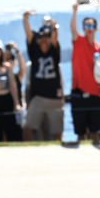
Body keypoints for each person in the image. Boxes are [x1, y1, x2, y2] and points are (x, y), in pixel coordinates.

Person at [23, 12, 64, 141]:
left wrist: (54, 27)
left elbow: (55, 38)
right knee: (28, 128)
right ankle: (28, 153)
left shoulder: (54, 52)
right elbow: (29, 35)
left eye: (47, 36)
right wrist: (25, 19)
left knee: (57, 132)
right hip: (38, 97)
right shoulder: (34, 52)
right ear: (39, 39)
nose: (45, 39)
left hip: (54, 98)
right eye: (42, 37)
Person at [70, 2, 100, 145]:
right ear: (83, 29)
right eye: (86, 26)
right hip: (78, 91)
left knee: (95, 131)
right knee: (80, 133)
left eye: (91, 25)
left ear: (96, 28)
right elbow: (73, 30)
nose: (88, 28)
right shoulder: (78, 41)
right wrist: (75, 11)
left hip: (95, 93)